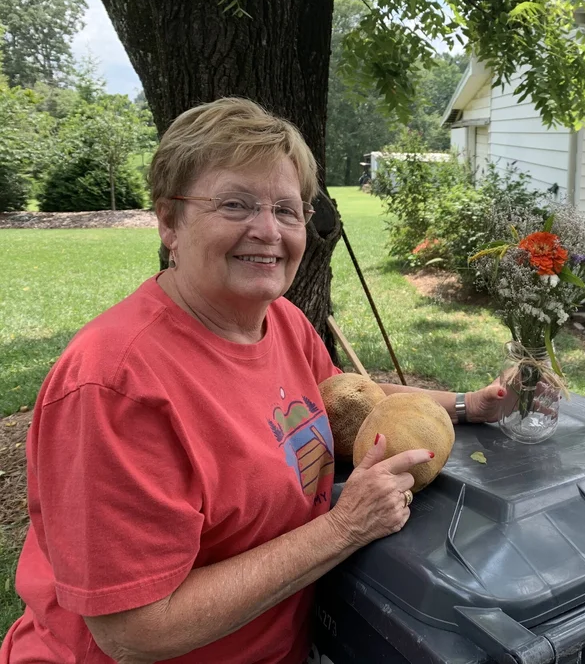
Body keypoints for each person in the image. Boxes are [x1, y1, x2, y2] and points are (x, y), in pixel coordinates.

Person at [1, 97, 508, 664]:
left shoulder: (281, 322)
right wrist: (344, 527)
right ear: (170, 221)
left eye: (288, 211)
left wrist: (468, 405)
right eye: (236, 204)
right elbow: (135, 632)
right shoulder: (114, 385)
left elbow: (346, 394)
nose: (268, 231)